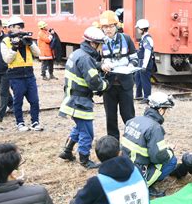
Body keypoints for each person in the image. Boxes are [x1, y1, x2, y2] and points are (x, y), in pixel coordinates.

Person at [59, 26, 109, 169]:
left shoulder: (78, 53)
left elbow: (86, 67)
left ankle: (67, 151)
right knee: (87, 132)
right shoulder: (86, 58)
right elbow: (94, 83)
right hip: (80, 102)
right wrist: (106, 84)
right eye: (99, 44)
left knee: (80, 127)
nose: (100, 48)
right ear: (93, 44)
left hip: (72, 98)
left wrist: (99, 66)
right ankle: (85, 160)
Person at [121, 92, 177, 195]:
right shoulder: (155, 128)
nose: (166, 113)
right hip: (138, 170)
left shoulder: (133, 120)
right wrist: (169, 151)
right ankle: (145, 183)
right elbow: (158, 157)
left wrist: (164, 146)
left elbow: (140, 144)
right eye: (166, 109)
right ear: (160, 110)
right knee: (172, 160)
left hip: (124, 165)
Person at [99, 10, 138, 140]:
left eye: (111, 26)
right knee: (110, 117)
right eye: (105, 27)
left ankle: (132, 141)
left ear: (116, 26)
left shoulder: (126, 39)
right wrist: (101, 65)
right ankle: (113, 142)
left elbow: (134, 57)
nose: (108, 29)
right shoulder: (99, 42)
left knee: (128, 115)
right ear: (101, 28)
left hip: (125, 84)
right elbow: (94, 61)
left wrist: (132, 66)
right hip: (108, 86)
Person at [0, 15, 43, 132]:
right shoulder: (5, 41)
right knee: (18, 101)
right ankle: (20, 123)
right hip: (16, 76)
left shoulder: (26, 39)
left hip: (29, 75)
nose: (20, 30)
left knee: (34, 100)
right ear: (10, 27)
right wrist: (14, 47)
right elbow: (7, 60)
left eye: (21, 27)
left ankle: (35, 122)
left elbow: (38, 54)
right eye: (18, 27)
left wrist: (31, 43)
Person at [134, 19, 155, 104]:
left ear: (142, 29)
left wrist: (144, 66)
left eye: (138, 28)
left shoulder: (147, 39)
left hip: (144, 63)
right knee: (137, 78)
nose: (137, 30)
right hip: (141, 62)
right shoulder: (144, 38)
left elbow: (147, 52)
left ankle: (147, 97)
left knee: (145, 80)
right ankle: (139, 96)